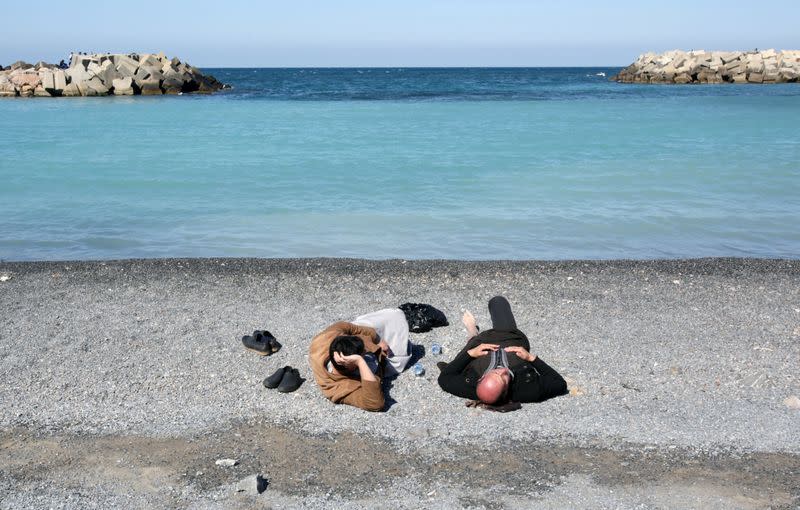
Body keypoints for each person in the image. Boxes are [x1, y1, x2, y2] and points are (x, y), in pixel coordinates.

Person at [438, 296, 568, 406]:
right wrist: (531, 358)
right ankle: (474, 333)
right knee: (498, 302)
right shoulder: (526, 391)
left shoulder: (470, 387)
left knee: (473, 341)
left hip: (477, 347)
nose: (503, 371)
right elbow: (559, 384)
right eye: (504, 379)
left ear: (481, 379)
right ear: (506, 390)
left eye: (495, 373)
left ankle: (472, 330)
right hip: (509, 336)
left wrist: (470, 354)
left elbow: (444, 379)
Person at [309, 308, 412, 412]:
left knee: (396, 315)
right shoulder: (336, 387)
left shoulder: (322, 341)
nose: (365, 354)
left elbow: (345, 326)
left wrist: (378, 340)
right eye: (361, 355)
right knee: (405, 350)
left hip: (367, 340)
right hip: (382, 362)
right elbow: (375, 403)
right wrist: (361, 362)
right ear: (349, 364)